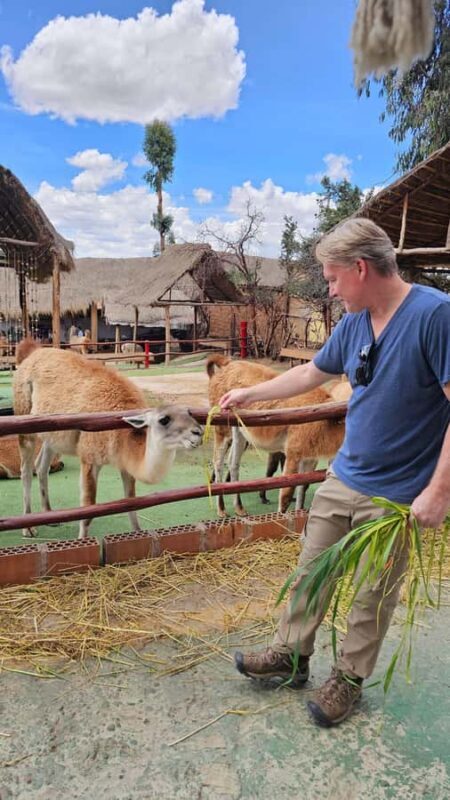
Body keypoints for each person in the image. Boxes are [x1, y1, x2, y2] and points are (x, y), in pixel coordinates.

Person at [219, 218, 450, 727]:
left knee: (372, 595)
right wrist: (251, 394)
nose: (329, 288)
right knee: (310, 573)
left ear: (361, 269)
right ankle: (291, 656)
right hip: (344, 477)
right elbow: (312, 372)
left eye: (331, 278)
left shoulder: (435, 316)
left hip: (396, 497)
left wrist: (437, 491)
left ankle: (347, 679)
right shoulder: (353, 322)